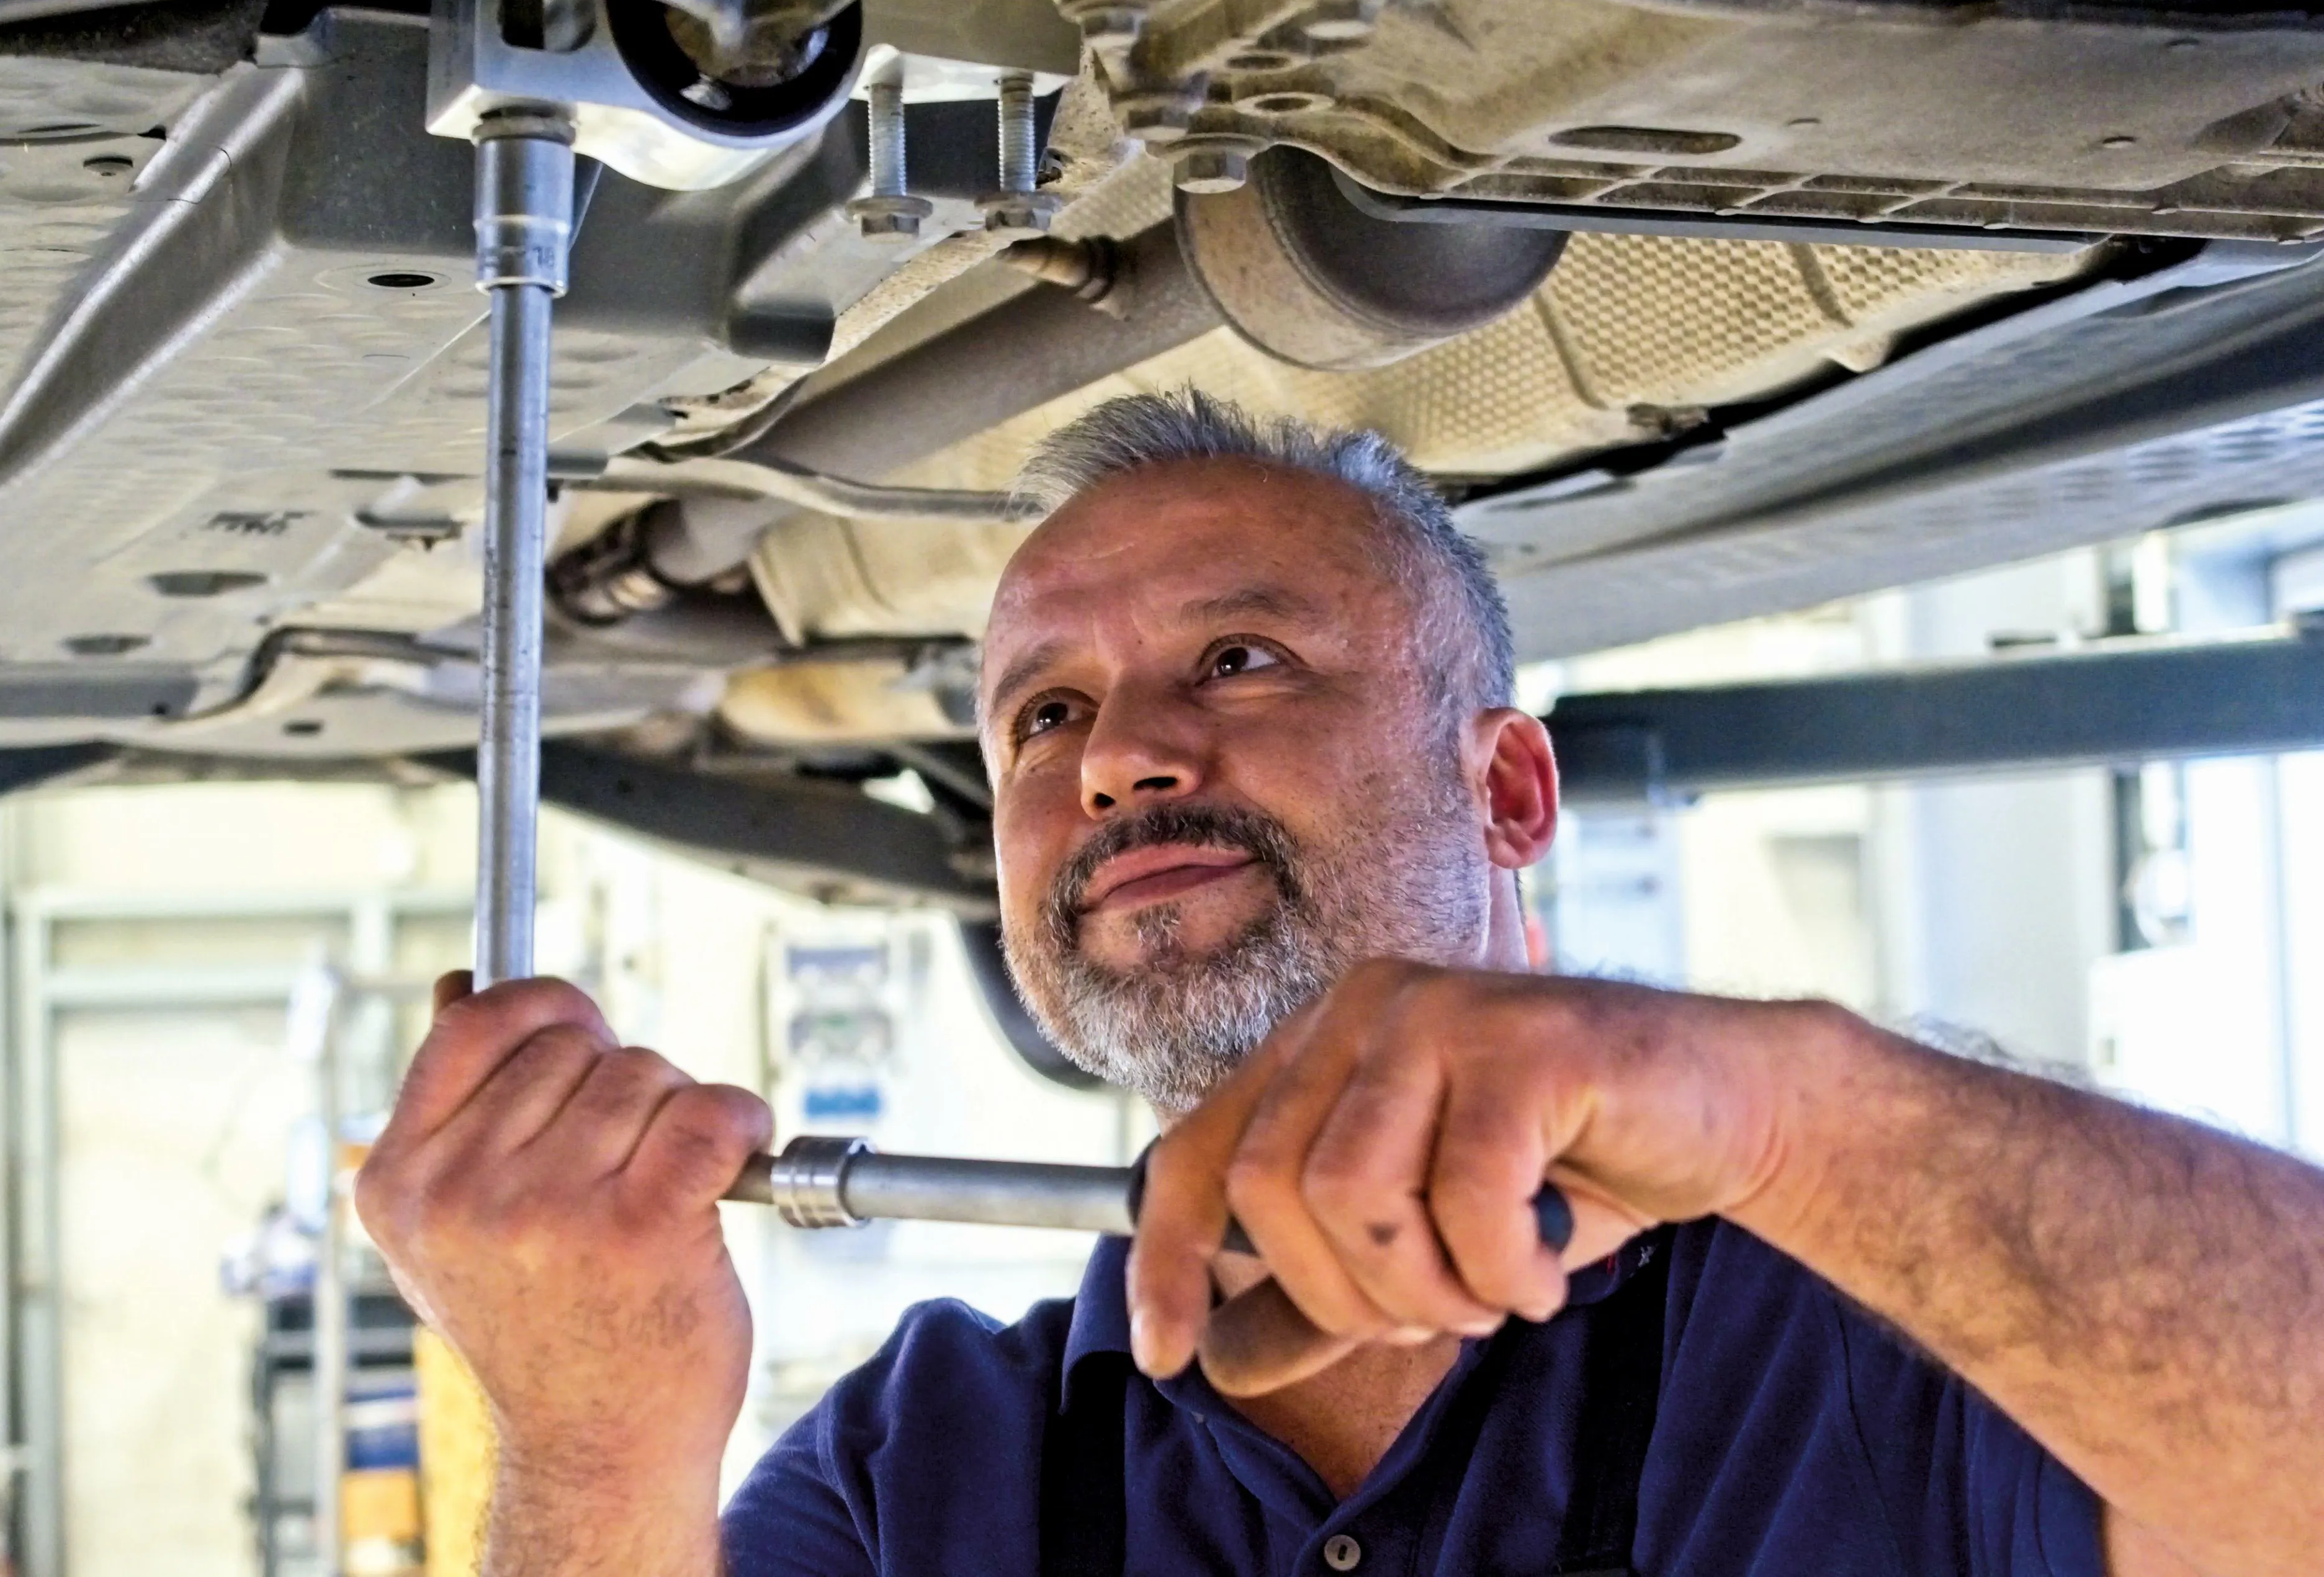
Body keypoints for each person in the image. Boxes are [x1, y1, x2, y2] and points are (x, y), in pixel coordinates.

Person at [356, 390, 2324, 1577]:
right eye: (1045, 712)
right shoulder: (922, 1466)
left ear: (1511, 786)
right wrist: (597, 1440)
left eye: (1240, 661)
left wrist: (1800, 1107)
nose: (1117, 754)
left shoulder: (1881, 1348)